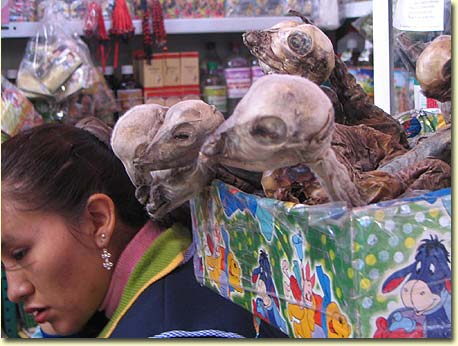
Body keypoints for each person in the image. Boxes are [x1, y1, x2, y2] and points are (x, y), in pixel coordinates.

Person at [1, 119, 288, 338]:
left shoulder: (184, 329)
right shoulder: (176, 267)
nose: (15, 291)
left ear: (97, 220)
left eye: (20, 253)